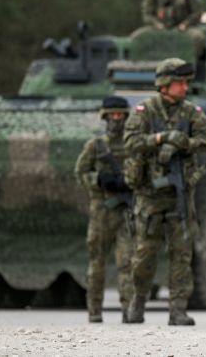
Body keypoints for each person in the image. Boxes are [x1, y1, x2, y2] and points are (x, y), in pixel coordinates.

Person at [123, 58, 206, 325]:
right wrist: (160, 139)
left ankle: (177, 309)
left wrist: (184, 143)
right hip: (150, 196)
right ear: (164, 85)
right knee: (144, 255)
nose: (185, 87)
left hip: (179, 195)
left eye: (186, 82)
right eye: (179, 82)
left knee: (181, 254)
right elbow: (130, 142)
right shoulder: (145, 111)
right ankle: (138, 302)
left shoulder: (191, 112)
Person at [75, 96, 135, 323]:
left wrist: (129, 182)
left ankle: (128, 310)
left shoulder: (133, 145)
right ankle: (94, 310)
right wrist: (99, 180)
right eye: (112, 115)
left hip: (126, 213)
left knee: (127, 263)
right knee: (97, 263)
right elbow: (80, 172)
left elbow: (144, 172)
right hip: (102, 212)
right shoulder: (96, 146)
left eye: (120, 115)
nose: (116, 120)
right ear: (105, 117)